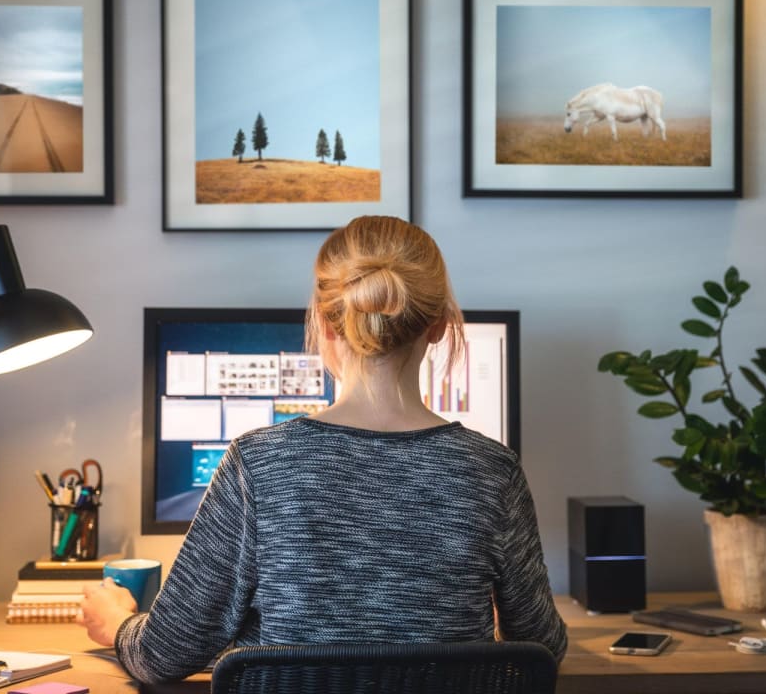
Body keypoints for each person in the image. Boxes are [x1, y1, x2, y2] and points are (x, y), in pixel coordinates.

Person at [77, 215, 567, 683]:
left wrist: (118, 622)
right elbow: (542, 647)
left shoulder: (257, 464)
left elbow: (164, 655)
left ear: (327, 325)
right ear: (438, 326)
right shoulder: (493, 471)